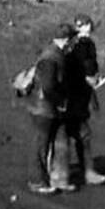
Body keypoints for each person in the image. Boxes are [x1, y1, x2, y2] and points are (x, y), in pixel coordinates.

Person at [23, 23, 76, 194]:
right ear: (66, 40)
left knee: (60, 141)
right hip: (43, 108)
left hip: (50, 107)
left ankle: (59, 178)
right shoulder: (50, 58)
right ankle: (37, 181)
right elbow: (48, 86)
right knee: (41, 144)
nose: (73, 43)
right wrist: (61, 101)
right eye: (72, 39)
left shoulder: (56, 54)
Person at [64, 14, 105, 185]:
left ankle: (64, 171)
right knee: (81, 133)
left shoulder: (73, 44)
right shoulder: (83, 44)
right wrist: (92, 80)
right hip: (77, 94)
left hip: (73, 94)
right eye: (84, 25)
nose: (87, 27)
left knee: (70, 134)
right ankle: (86, 172)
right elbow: (88, 67)